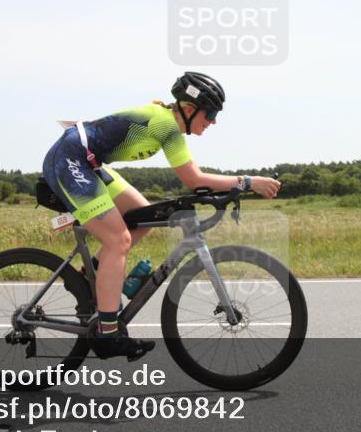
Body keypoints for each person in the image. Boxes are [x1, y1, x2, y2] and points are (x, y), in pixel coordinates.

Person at [41, 72, 281, 360]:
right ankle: (107, 333)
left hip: (88, 161)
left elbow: (197, 180)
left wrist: (228, 190)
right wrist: (247, 181)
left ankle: (87, 278)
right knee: (118, 240)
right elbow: (194, 179)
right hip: (71, 159)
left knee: (141, 215)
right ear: (190, 109)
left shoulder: (171, 126)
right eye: (211, 113)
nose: (214, 121)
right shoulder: (166, 125)